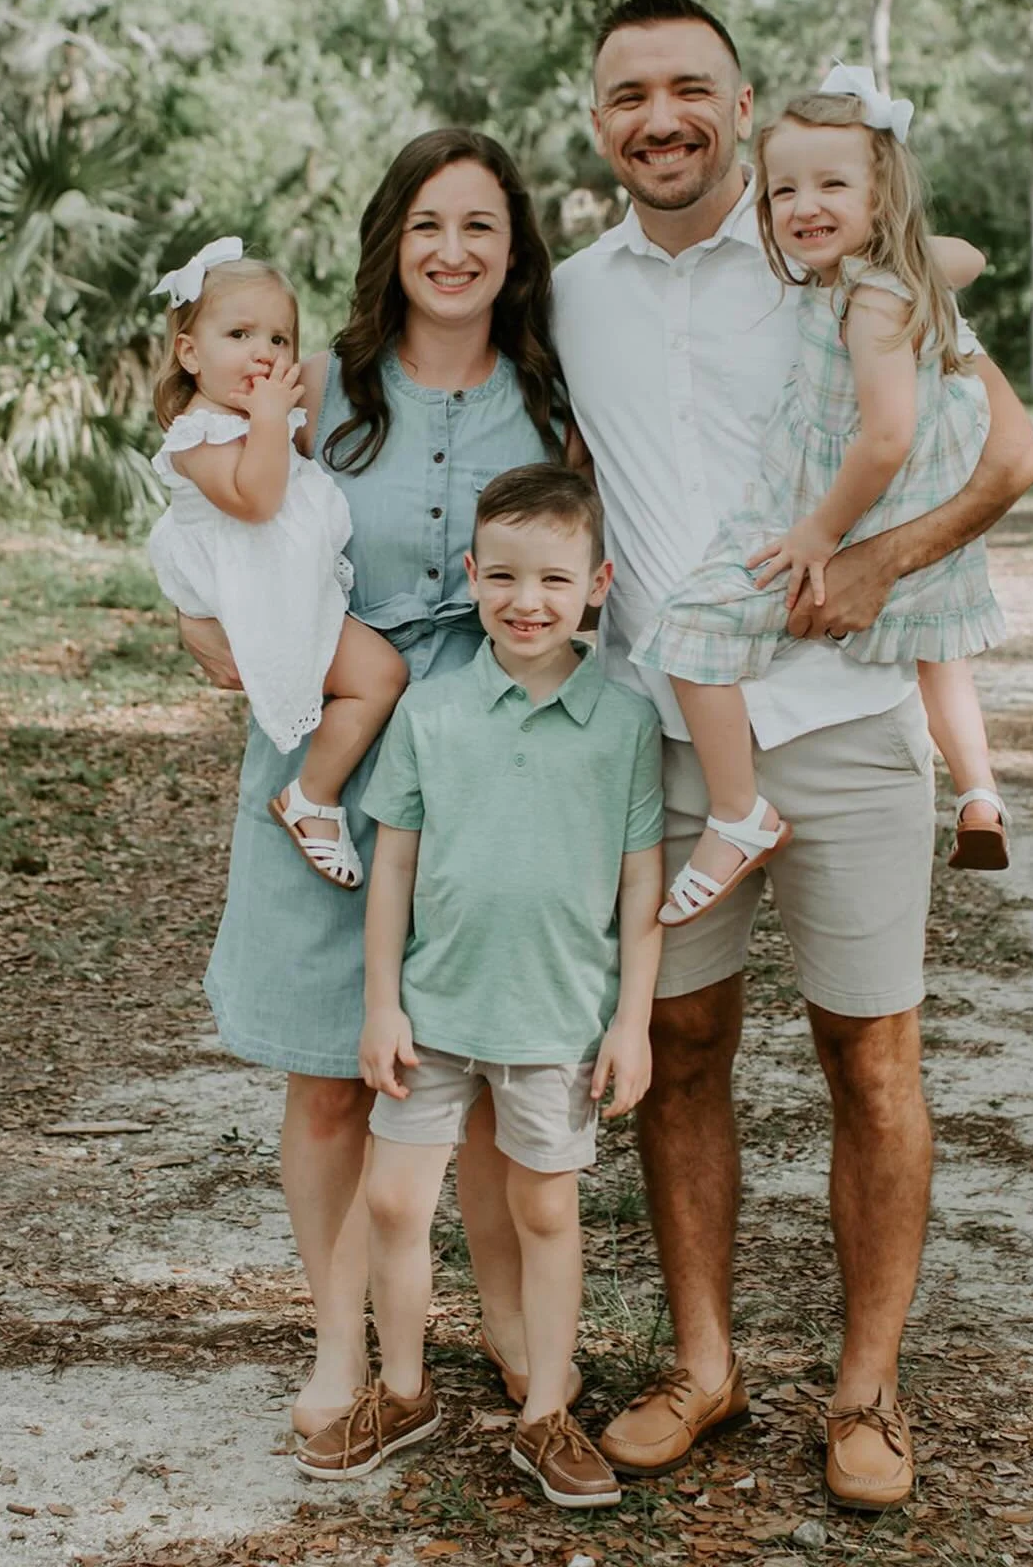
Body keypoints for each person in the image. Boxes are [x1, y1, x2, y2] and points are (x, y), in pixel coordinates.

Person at [552, 0, 1033, 1510]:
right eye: (629, 93)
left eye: (691, 86)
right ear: (597, 122)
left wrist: (883, 563)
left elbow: (1012, 456)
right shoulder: (566, 297)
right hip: (673, 742)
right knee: (682, 1054)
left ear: (744, 104)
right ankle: (704, 1369)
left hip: (845, 728)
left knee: (871, 1060)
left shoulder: (837, 263)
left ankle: (866, 1393)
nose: (662, 116)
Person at [177, 130, 579, 1445]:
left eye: (480, 226)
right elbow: (211, 528)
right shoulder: (319, 390)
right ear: (390, 246)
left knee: (474, 1052)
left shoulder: (552, 394)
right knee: (328, 1073)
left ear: (513, 250)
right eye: (427, 226)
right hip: (328, 751)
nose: (453, 251)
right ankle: (341, 1344)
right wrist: (199, 626)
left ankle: (513, 1330)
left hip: (493, 756)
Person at [295, 466, 665, 1509]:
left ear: (598, 583)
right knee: (397, 1200)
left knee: (544, 1208)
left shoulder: (625, 725)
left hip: (557, 1020)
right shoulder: (435, 710)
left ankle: (547, 1411)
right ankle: (404, 1390)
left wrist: (631, 1024)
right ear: (471, 575)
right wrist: (382, 1003)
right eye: (501, 576)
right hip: (438, 1012)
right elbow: (396, 866)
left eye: (553, 578)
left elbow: (642, 886)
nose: (525, 600)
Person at [631, 64, 1008, 929]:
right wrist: (923, 260)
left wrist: (818, 533)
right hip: (909, 509)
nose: (804, 205)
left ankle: (738, 812)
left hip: (848, 506)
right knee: (936, 650)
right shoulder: (885, 278)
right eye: (783, 190)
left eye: (833, 184)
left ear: (884, 195)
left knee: (688, 631)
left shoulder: (870, 302)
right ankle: (980, 790)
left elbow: (884, 437)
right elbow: (966, 257)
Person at [147, 240, 408, 891]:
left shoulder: (243, 417)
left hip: (285, 583)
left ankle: (313, 795)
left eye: (280, 338)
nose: (264, 352)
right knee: (380, 676)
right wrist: (271, 421)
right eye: (239, 334)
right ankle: (312, 798)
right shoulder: (199, 434)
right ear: (189, 352)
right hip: (260, 594)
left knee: (378, 674)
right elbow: (258, 501)